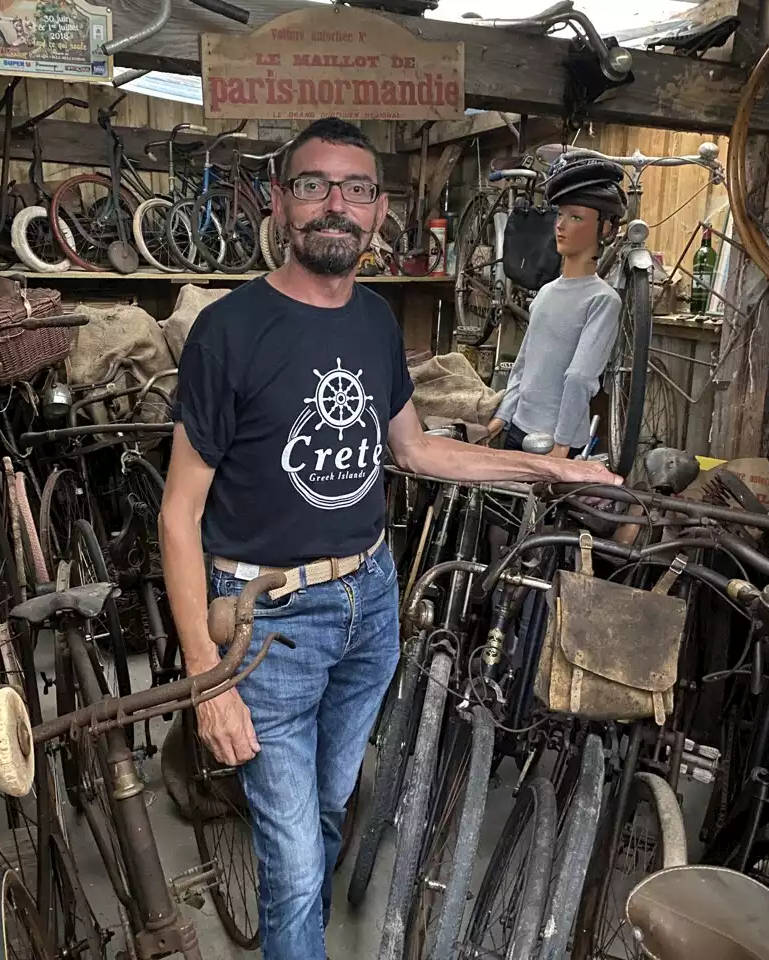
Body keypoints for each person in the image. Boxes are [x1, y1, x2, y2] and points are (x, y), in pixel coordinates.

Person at [158, 117, 620, 960]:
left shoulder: (373, 321)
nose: (336, 206)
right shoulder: (229, 332)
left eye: (358, 189)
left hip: (369, 599)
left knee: (333, 806)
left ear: (379, 211)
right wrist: (205, 679)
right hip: (267, 622)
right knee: (296, 861)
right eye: (314, 186)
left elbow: (414, 450)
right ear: (281, 202)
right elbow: (178, 513)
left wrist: (549, 471)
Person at [487, 158, 627, 456]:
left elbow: (580, 377)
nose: (560, 225)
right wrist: (503, 416)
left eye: (576, 217)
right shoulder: (546, 292)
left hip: (555, 443)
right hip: (519, 429)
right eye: (560, 215)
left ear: (605, 229)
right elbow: (524, 363)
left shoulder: (602, 299)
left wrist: (562, 443)